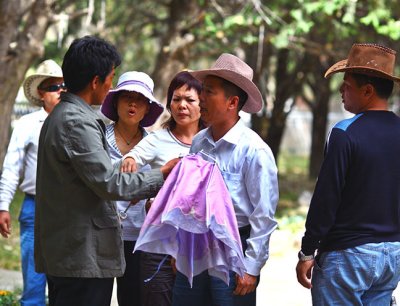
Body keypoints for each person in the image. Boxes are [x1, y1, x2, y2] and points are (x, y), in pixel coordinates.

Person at [34, 36, 179, 306]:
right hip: (79, 254)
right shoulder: (77, 122)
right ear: (96, 81)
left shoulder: (65, 115)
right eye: (111, 77)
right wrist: (162, 175)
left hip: (71, 252)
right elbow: (109, 182)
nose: (111, 84)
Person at [171, 53, 279, 306]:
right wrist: (180, 247)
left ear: (232, 102)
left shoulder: (254, 151)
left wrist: (251, 267)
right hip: (195, 245)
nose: (202, 99)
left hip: (234, 249)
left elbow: (263, 217)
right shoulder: (199, 142)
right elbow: (189, 198)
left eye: (209, 92)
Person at [296, 43, 400, 305]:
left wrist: (307, 251)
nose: (341, 90)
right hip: (393, 255)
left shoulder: (345, 132)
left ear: (367, 91)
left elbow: (326, 197)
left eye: (347, 85)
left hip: (347, 257)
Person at [121, 70, 203, 306]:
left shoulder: (210, 141)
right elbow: (134, 156)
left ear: (202, 105)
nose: (182, 106)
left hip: (196, 242)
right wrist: (130, 161)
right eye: (176, 99)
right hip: (158, 241)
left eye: (189, 100)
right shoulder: (158, 139)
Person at [0, 59, 65, 306]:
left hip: (68, 211)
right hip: (34, 208)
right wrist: (4, 206)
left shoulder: (75, 123)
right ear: (41, 92)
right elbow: (11, 167)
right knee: (34, 282)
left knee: (65, 281)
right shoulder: (27, 125)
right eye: (53, 86)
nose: (60, 90)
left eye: (64, 85)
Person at [100, 70, 164, 306]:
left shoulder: (155, 144)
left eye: (140, 99)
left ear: (148, 108)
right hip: (101, 234)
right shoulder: (97, 138)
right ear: (115, 101)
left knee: (133, 299)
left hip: (139, 237)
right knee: (96, 297)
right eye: (126, 96)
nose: (133, 103)